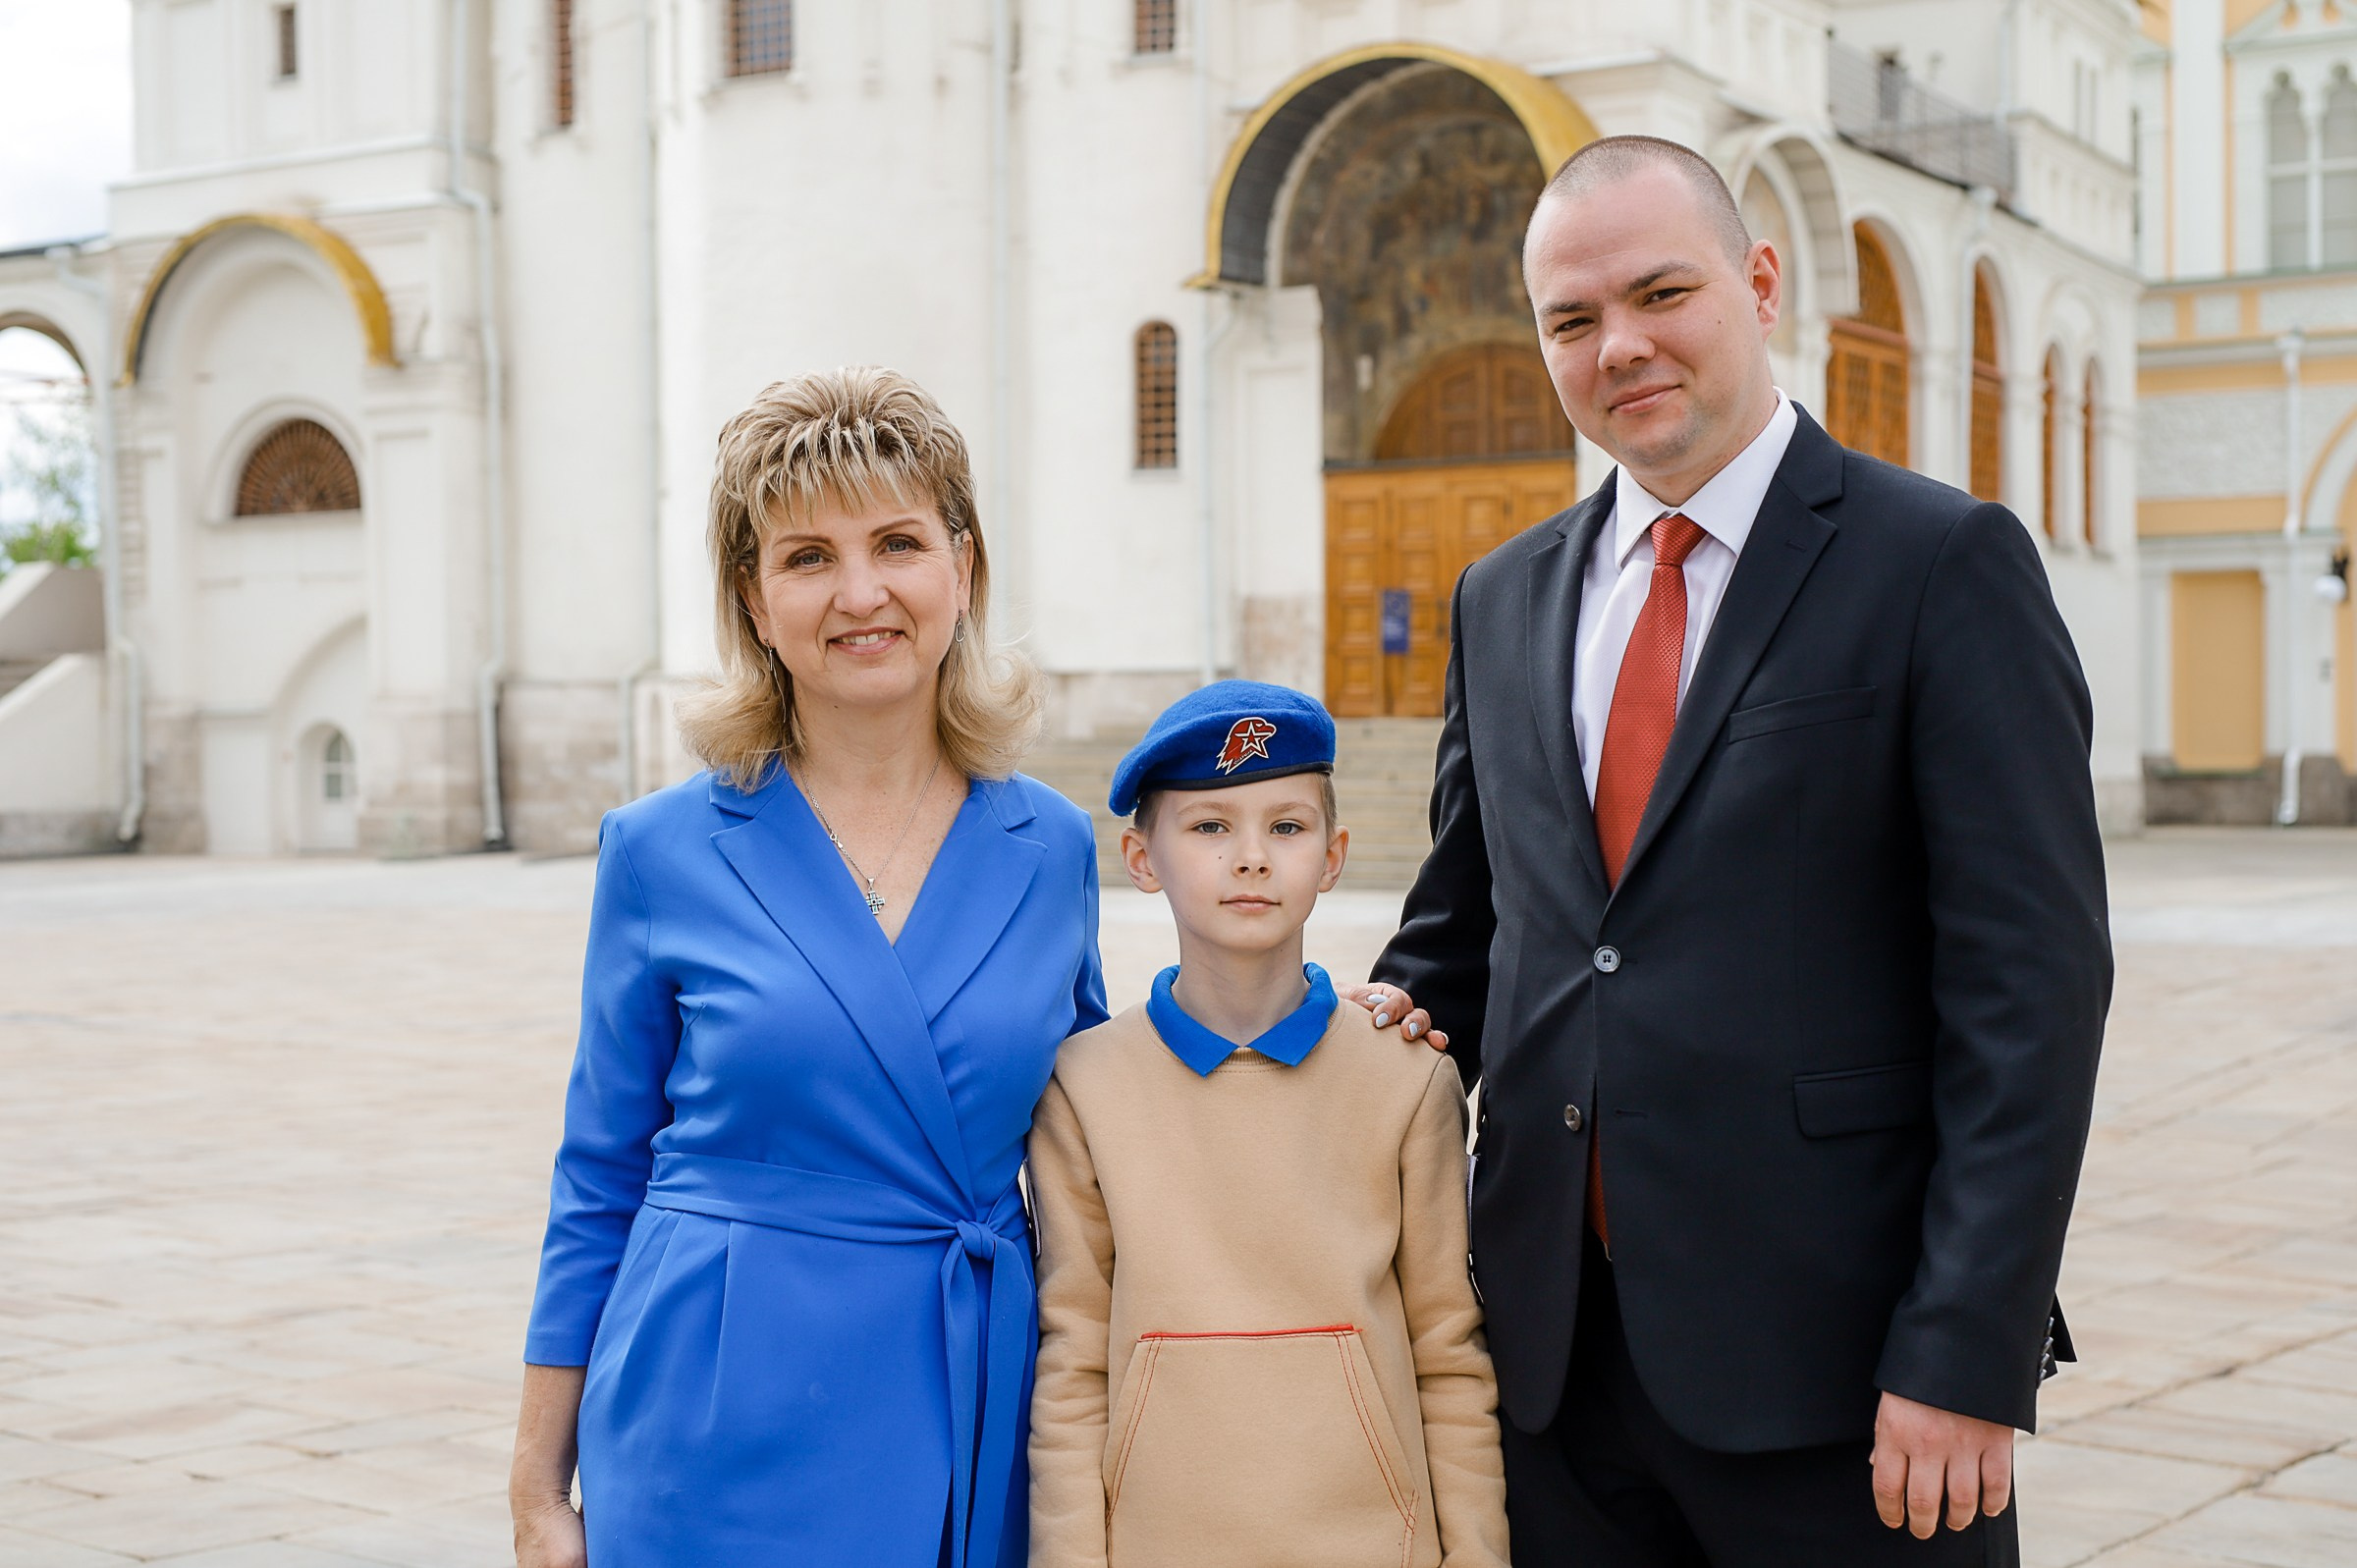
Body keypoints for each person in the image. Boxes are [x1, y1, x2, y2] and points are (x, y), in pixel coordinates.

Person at [1371, 135, 2111, 1567]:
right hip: (1551, 1378)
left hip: (1843, 1379)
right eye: (1572, 320)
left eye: (1662, 293)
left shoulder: (1939, 563)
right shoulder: (1500, 597)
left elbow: (2033, 994)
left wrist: (1968, 1349)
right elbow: (1464, 939)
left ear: (1761, 281)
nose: (1620, 346)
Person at [508, 367, 1105, 1568]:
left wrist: (1329, 1028)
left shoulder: (1052, 847)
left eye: (898, 542)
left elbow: (1099, 1141)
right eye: (808, 556)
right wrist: (535, 1484)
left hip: (968, 1396)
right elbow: (598, 1173)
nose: (863, 592)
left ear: (964, 568)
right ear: (755, 599)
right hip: (713, 1405)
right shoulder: (659, 850)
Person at [1027, 680, 1511, 1568]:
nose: (1251, 857)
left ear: (1333, 856)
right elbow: (1073, 1364)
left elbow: (1449, 1353)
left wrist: (1475, 1553)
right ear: (1141, 857)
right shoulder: (1085, 1087)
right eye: (1210, 827)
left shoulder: (1409, 1077)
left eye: (1286, 827)